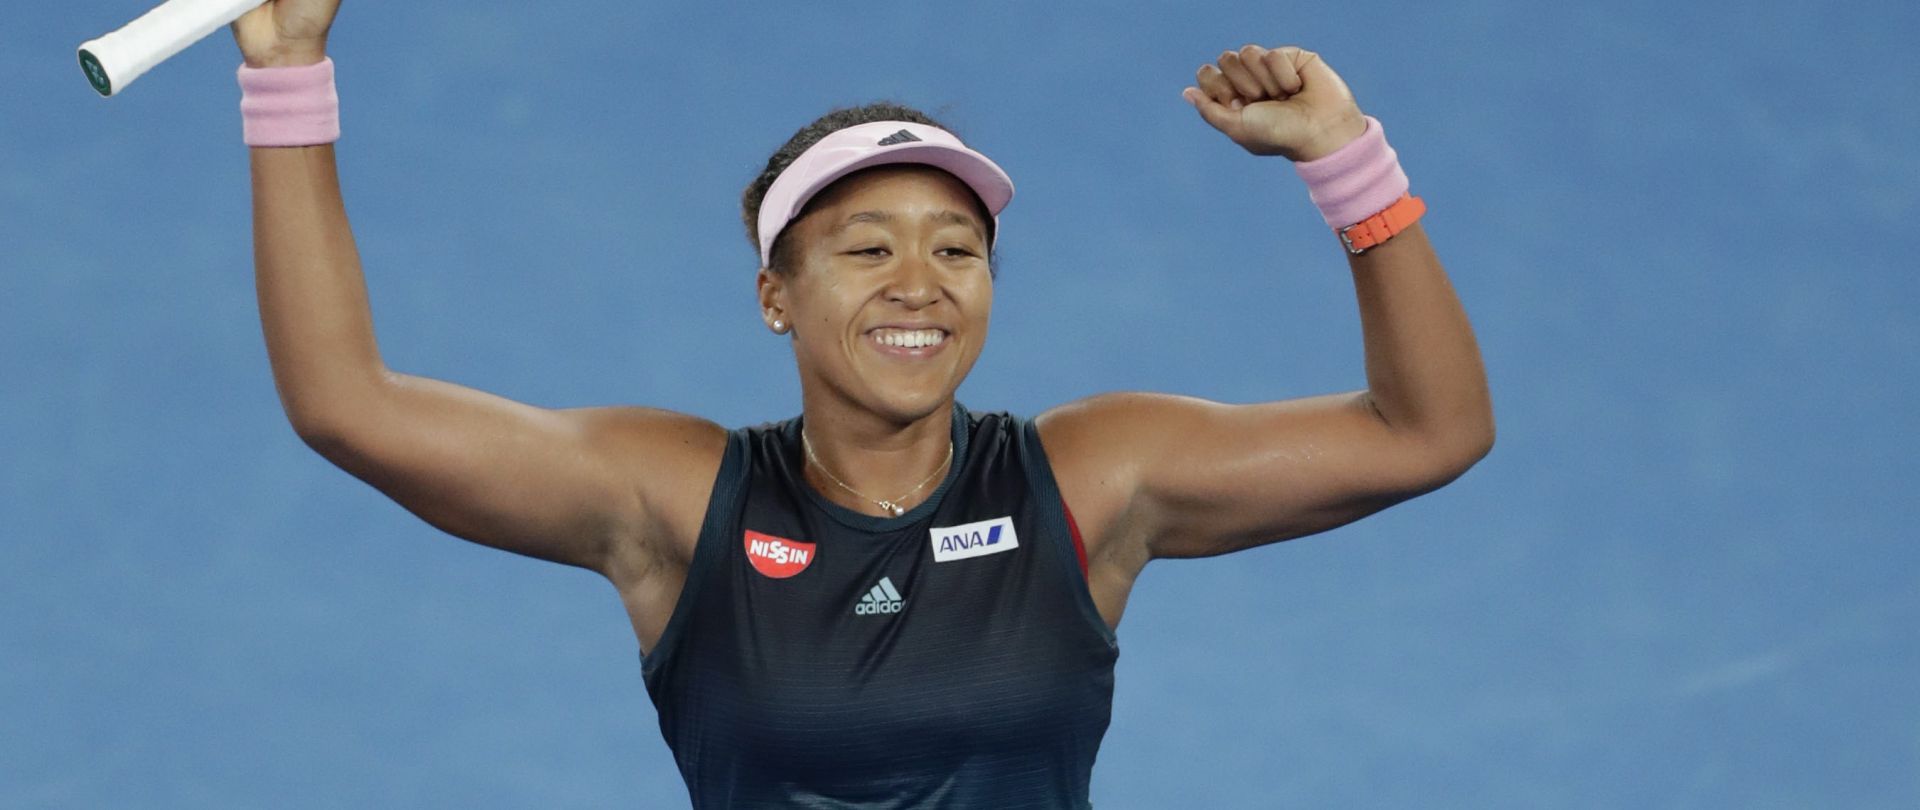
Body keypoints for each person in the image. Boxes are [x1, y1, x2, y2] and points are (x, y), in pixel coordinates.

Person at [233, 2, 1493, 807]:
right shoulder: (677, 500)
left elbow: (1426, 432)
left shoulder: (1091, 476)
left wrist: (1344, 156)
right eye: (864, 248)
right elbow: (347, 404)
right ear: (775, 295)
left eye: (956, 249)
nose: (919, 286)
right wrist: (290, 78)